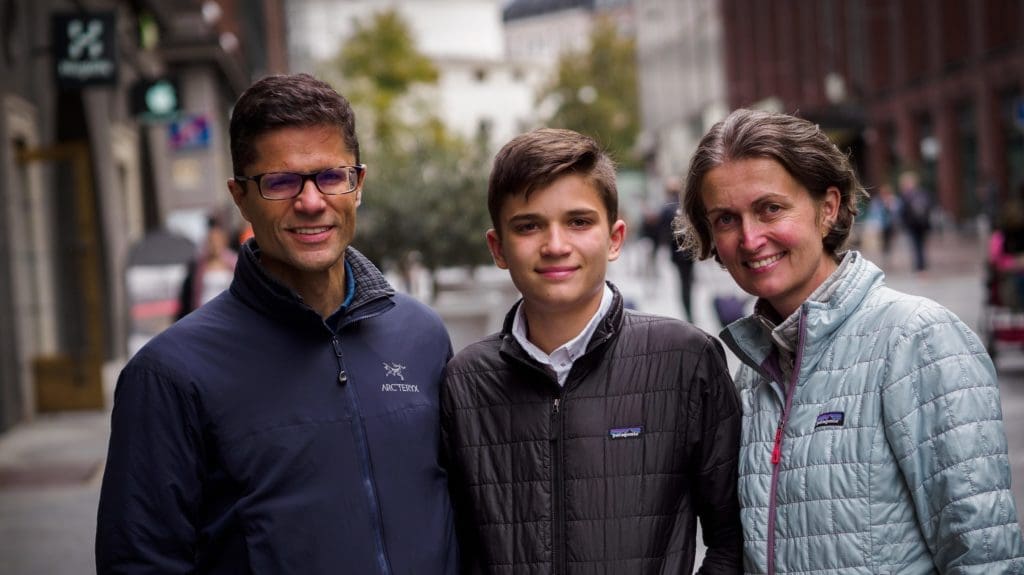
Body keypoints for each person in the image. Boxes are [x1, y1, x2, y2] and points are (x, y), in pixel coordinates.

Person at [96, 74, 458, 574]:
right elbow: (139, 562)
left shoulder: (421, 336)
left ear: (359, 185)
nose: (311, 202)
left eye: (331, 176)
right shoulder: (169, 375)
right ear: (240, 197)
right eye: (281, 182)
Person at [679, 108, 1024, 574]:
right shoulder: (752, 373)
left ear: (828, 208)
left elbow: (985, 555)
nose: (750, 238)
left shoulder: (917, 339)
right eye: (725, 219)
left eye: (770, 209)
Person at [441, 128, 743, 574]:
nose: (556, 245)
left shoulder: (685, 360)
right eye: (528, 226)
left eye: (579, 222)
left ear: (615, 237)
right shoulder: (465, 381)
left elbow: (732, 539)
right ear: (498, 248)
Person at [175, 215, 238, 319]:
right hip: (204, 315)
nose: (214, 244)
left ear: (224, 241)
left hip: (229, 314)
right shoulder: (198, 266)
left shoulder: (234, 263)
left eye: (217, 240)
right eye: (211, 241)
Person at [658, 176, 696, 321]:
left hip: (678, 253)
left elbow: (662, 232)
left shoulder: (667, 209)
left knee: (684, 284)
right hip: (690, 251)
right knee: (687, 283)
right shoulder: (685, 207)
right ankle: (690, 313)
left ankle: (689, 313)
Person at [897, 169, 932, 272]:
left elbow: (902, 212)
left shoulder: (912, 195)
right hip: (915, 225)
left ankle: (920, 266)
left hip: (918, 225)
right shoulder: (911, 195)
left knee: (918, 245)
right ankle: (920, 266)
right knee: (918, 245)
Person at [867, 182, 899, 264]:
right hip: (881, 225)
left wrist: (889, 205)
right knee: (882, 243)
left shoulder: (893, 200)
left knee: (891, 242)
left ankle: (890, 258)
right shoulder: (877, 201)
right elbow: (874, 212)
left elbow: (897, 211)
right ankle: (885, 258)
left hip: (891, 225)